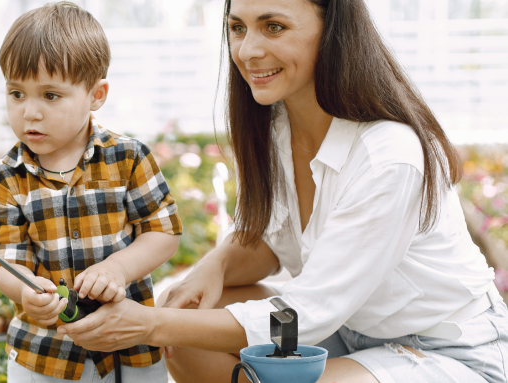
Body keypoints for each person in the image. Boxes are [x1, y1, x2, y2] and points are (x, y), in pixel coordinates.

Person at [55, 0, 508, 382]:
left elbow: (309, 311)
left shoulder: (390, 155)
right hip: (345, 334)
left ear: (332, 30)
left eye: (274, 26)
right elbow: (270, 244)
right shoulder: (276, 128)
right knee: (186, 330)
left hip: (448, 349)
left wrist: (148, 325)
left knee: (173, 325)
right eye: (237, 28)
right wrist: (213, 267)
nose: (248, 50)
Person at [0, 2, 183, 381]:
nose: (30, 112)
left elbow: (164, 232)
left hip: (128, 346)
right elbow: (3, 259)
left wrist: (117, 269)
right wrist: (24, 290)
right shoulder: (7, 176)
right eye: (17, 94)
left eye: (51, 95)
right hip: (44, 351)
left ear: (96, 95)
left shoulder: (127, 157)